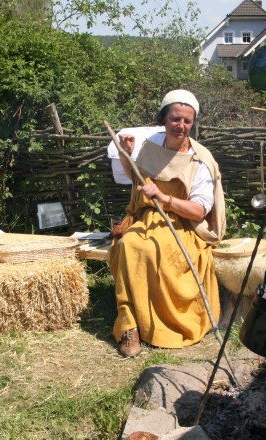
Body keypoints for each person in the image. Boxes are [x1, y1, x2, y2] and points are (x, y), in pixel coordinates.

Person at [109, 89, 226, 358]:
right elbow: (137, 180)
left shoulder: (201, 160)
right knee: (129, 245)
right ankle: (130, 325)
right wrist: (126, 154)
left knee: (154, 253)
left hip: (183, 225)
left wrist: (165, 198)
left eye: (187, 121)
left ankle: (161, 323)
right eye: (175, 119)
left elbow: (198, 211)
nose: (181, 126)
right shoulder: (152, 144)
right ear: (164, 118)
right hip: (148, 217)